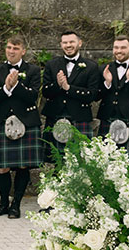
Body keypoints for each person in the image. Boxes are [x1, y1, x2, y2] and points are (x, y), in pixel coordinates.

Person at [0, 35, 41, 220]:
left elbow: (32, 96)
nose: (11, 51)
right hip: (3, 121)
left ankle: (15, 205)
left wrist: (16, 85)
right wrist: (6, 88)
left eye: (16, 48)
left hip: (27, 122)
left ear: (23, 51)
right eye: (9, 47)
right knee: (2, 168)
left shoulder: (33, 70)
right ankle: (3, 204)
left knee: (23, 166)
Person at [40, 29, 99, 161]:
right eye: (65, 43)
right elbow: (46, 92)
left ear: (80, 43)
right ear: (61, 45)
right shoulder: (51, 64)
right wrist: (58, 84)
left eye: (71, 42)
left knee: (80, 162)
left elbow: (93, 95)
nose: (68, 45)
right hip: (55, 116)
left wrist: (69, 88)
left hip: (79, 117)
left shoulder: (91, 66)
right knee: (56, 161)